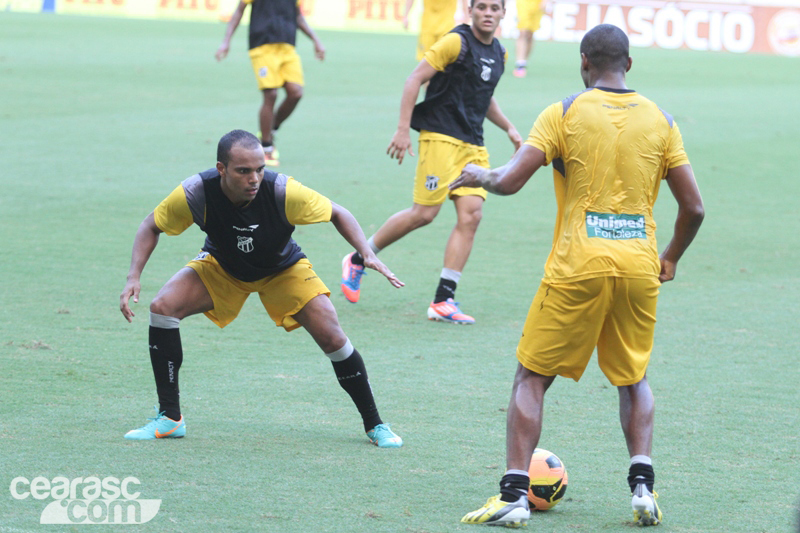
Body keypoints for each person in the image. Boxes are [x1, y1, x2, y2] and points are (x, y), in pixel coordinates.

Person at [457, 24, 704, 526]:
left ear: (584, 62)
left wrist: (480, 174)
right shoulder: (662, 120)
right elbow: (694, 208)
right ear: (629, 64)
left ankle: (513, 496)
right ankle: (642, 488)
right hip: (638, 266)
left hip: (578, 266)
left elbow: (509, 181)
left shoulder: (564, 111)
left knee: (531, 376)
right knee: (633, 377)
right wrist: (672, 256)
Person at [119, 130, 405, 448]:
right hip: (223, 267)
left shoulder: (283, 192)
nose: (254, 178)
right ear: (221, 169)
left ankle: (375, 424)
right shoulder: (196, 193)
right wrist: (134, 276)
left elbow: (338, 212)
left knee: (332, 335)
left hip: (282, 269)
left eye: (259, 169)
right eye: (243, 171)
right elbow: (151, 225)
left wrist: (365, 253)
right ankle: (170, 418)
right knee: (162, 307)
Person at [341, 0, 522, 325]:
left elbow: (483, 95)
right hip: (439, 136)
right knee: (424, 214)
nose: (488, 13)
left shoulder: (501, 53)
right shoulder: (456, 42)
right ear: (470, 10)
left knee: (472, 215)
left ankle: (443, 299)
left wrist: (508, 127)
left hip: (473, 144)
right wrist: (402, 130)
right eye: (481, 6)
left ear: (504, 14)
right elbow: (414, 79)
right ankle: (358, 257)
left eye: (495, 7)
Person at [215, 0, 325, 167]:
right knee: (270, 94)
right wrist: (226, 41)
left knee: (296, 92)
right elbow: (239, 11)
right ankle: (266, 147)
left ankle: (270, 129)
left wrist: (316, 40)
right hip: (262, 47)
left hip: (287, 48)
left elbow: (298, 17)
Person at [402, 0, 469, 60]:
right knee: (426, 60)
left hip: (446, 28)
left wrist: (466, 19)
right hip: (428, 28)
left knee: (445, 60)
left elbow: (464, 1)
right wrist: (406, 16)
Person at [512, 0, 545, 78]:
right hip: (523, 2)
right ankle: (520, 64)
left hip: (537, 3)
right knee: (523, 32)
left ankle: (524, 62)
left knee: (530, 34)